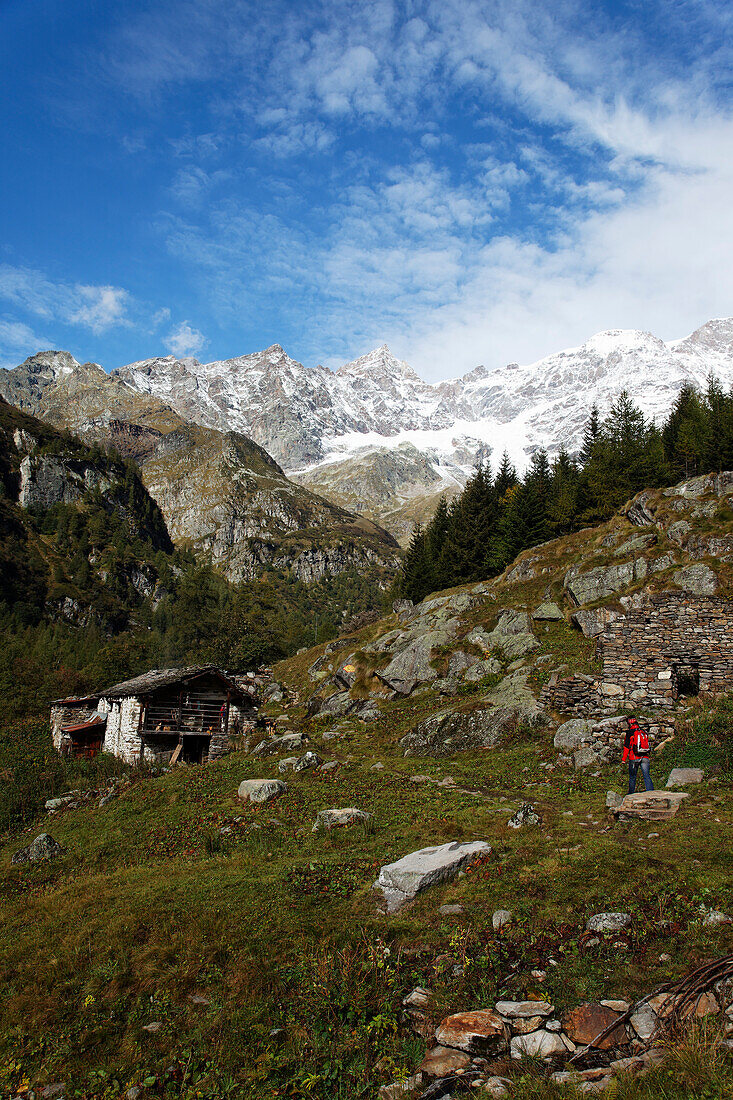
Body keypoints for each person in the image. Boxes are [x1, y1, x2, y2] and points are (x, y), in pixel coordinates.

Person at [622, 716, 654, 793]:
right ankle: (651, 793)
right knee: (646, 776)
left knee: (632, 777)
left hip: (634, 757)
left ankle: (631, 795)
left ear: (629, 723)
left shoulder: (629, 733)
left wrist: (623, 759)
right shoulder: (643, 731)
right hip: (645, 756)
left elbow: (626, 747)